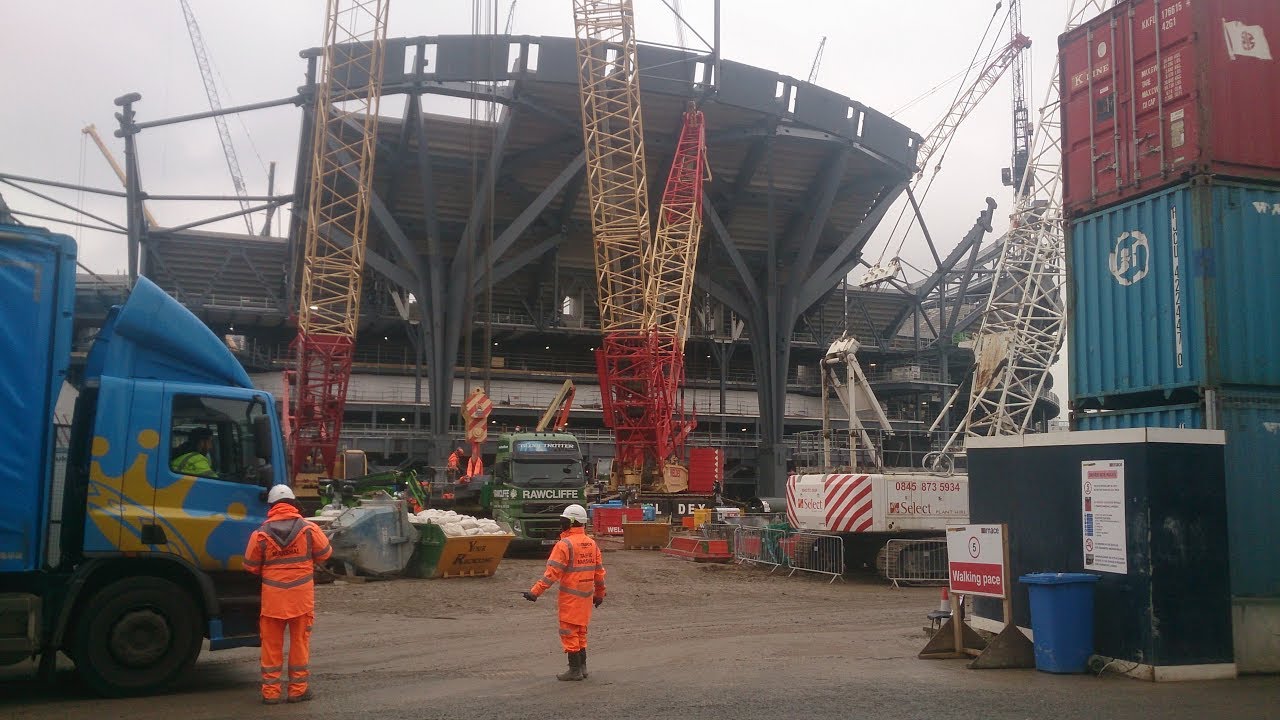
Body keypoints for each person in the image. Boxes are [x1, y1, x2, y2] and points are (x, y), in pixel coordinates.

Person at [243, 485, 333, 705]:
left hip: (273, 600)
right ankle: (297, 690)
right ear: (293, 503)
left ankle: (271, 693)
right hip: (301, 599)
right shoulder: (309, 529)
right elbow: (325, 554)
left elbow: (250, 566)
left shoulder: (261, 534)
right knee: (299, 643)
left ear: (272, 506)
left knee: (271, 646)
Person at [522, 504, 606, 681]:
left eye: (564, 520)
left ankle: (574, 670)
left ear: (571, 522)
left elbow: (551, 574)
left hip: (570, 598)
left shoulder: (564, 545)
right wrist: (599, 594)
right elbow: (599, 573)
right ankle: (582, 668)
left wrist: (534, 592)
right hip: (586, 597)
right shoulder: (592, 544)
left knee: (568, 632)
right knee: (581, 631)